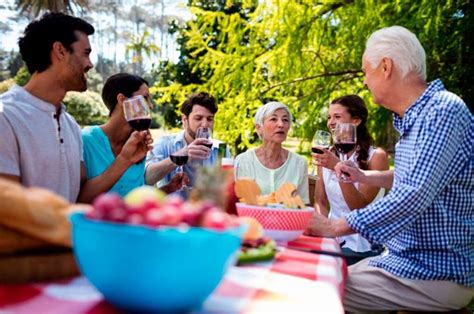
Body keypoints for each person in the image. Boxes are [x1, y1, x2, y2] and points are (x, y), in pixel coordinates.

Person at [305, 26, 473, 311]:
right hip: (404, 259)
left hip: (433, 269)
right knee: (318, 273)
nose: (365, 81)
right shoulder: (418, 116)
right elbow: (423, 176)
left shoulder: (442, 110)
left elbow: (415, 192)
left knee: (312, 290)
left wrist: (336, 225)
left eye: (366, 71)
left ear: (385, 67)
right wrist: (366, 175)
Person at [0, 13, 95, 202]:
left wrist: (125, 159)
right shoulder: (6, 116)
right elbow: (7, 208)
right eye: (86, 53)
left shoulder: (71, 125)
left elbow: (76, 199)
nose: (90, 64)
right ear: (60, 50)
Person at [78, 73, 186, 203]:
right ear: (122, 100)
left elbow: (133, 195)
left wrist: (166, 189)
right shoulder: (86, 140)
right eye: (145, 98)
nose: (150, 106)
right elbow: (79, 199)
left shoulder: (137, 143)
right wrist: (124, 160)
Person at [312, 95, 389, 265]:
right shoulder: (327, 154)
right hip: (332, 239)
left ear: (356, 121)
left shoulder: (376, 157)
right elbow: (320, 201)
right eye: (329, 117)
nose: (330, 122)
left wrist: (337, 167)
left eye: (337, 117)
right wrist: (323, 230)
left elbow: (358, 205)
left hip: (362, 244)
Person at [145, 92, 230, 188]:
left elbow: (227, 186)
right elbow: (147, 178)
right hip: (173, 202)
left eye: (210, 119)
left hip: (209, 202)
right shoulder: (164, 144)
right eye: (198, 118)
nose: (205, 124)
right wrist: (181, 156)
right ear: (184, 119)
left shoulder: (221, 148)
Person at [235, 102, 309, 204]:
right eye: (273, 119)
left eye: (285, 120)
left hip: (288, 219)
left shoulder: (299, 163)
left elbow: (303, 205)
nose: (281, 124)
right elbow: (239, 203)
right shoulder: (244, 161)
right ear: (259, 128)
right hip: (251, 219)